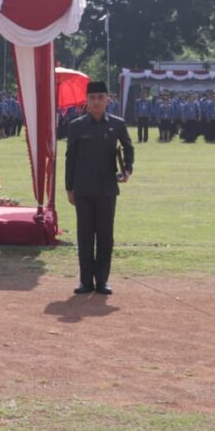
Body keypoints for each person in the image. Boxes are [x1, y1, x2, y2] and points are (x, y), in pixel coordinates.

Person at [65, 81, 134, 295]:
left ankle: (102, 280)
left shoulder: (117, 124)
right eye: (92, 97)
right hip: (83, 189)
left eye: (100, 97)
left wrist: (128, 169)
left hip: (107, 188)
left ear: (107, 99)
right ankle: (85, 281)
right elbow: (70, 158)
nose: (96, 101)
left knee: (105, 236)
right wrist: (69, 187)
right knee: (85, 236)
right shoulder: (76, 126)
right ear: (86, 100)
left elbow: (128, 147)